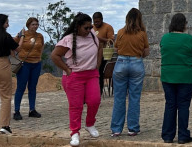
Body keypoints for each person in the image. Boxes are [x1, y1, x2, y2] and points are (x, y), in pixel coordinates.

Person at [51, 13, 101, 147]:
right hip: (75, 76)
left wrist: (98, 63)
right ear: (78, 27)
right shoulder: (68, 39)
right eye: (86, 27)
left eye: (90, 27)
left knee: (95, 100)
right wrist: (67, 70)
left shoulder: (92, 36)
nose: (89, 29)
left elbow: (100, 47)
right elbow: (55, 55)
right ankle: (74, 132)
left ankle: (90, 124)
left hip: (91, 74)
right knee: (76, 106)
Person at [160, 13, 192, 144]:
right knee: (183, 105)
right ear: (184, 24)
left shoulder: (165, 38)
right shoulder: (188, 39)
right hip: (186, 75)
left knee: (170, 105)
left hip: (168, 75)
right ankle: (183, 135)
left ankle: (167, 135)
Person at [111, 8, 150, 137]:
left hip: (121, 63)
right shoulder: (142, 34)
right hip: (136, 63)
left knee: (119, 98)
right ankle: (133, 128)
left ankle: (116, 128)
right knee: (134, 98)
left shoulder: (121, 32)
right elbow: (146, 52)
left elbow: (116, 49)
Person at [13, 17, 45, 121]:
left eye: (36, 24)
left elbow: (42, 47)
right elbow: (13, 44)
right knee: (21, 88)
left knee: (32, 87)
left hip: (36, 64)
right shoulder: (22, 34)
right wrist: (14, 57)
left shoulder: (40, 36)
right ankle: (16, 111)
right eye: (33, 24)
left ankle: (32, 110)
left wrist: (38, 57)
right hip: (24, 64)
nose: (35, 26)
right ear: (28, 25)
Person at [93, 12, 115, 93]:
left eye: (98, 22)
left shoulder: (108, 27)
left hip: (104, 54)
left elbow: (111, 41)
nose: (96, 24)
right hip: (93, 54)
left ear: (102, 20)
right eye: (95, 22)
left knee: (100, 72)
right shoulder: (91, 27)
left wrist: (98, 38)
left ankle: (99, 91)